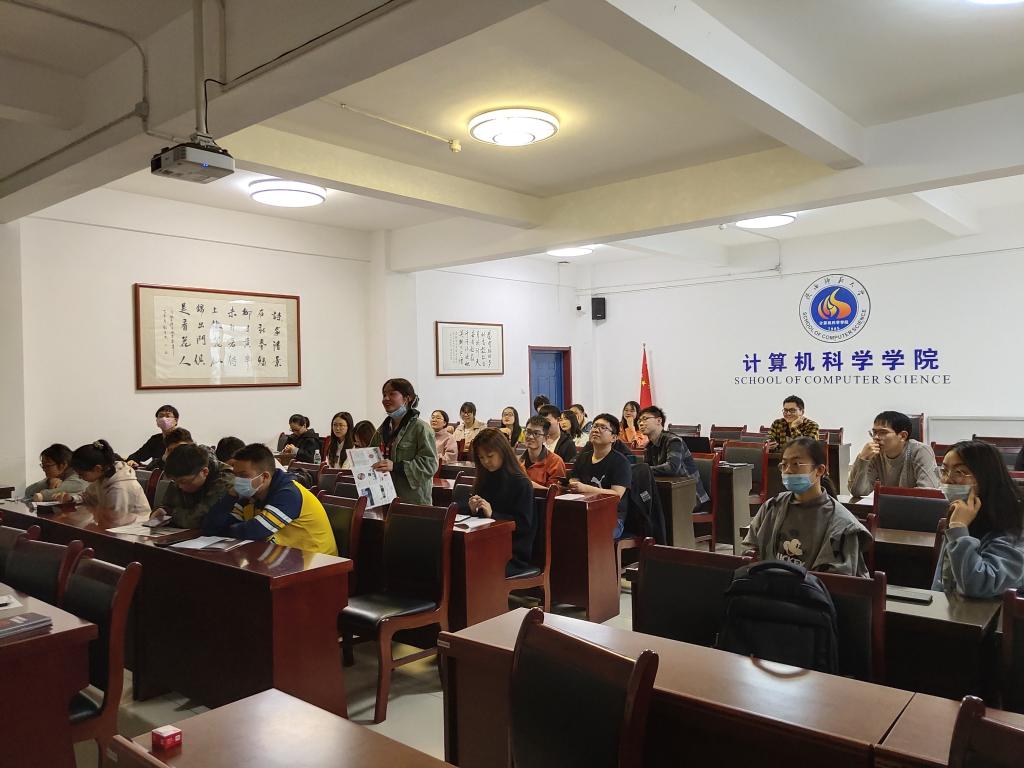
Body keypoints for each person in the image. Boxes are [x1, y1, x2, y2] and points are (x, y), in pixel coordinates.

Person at [742, 437, 870, 577]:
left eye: (796, 464)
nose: (788, 470)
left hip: (814, 590)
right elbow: (750, 550)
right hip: (769, 585)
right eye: (784, 465)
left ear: (819, 470)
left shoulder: (843, 524)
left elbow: (840, 580)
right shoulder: (772, 506)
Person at [204, 443, 337, 554]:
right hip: (282, 558)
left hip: (317, 563)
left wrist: (225, 531)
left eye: (243, 475)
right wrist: (230, 497)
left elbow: (254, 531)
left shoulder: (289, 494)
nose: (237, 480)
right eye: (236, 475)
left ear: (265, 477)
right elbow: (211, 528)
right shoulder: (249, 494)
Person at [932, 440, 1024, 598]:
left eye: (960, 472)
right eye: (944, 471)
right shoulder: (964, 514)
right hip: (953, 610)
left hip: (996, 613)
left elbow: (978, 585)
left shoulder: (1014, 525)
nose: (947, 480)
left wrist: (958, 528)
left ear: (987, 477)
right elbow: (942, 583)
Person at [466, 428, 537, 576]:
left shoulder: (521, 483)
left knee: (470, 564)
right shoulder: (484, 479)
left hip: (511, 552)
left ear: (502, 451)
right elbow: (481, 520)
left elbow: (524, 525)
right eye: (481, 458)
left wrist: (493, 515)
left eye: (490, 456)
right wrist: (473, 510)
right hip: (486, 543)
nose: (486, 462)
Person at [370, 378, 438, 505]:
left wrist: (396, 466)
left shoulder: (421, 428)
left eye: (392, 394)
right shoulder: (381, 430)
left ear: (407, 399)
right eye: (384, 395)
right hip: (386, 499)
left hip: (413, 501)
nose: (386, 399)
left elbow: (429, 465)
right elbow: (371, 456)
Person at [57, 440, 151, 527]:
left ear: (97, 468)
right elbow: (88, 497)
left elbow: (114, 521)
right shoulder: (102, 477)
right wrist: (71, 499)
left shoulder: (119, 487)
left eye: (82, 474)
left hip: (133, 530)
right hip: (115, 527)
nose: (80, 478)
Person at [569, 413, 633, 540]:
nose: (596, 430)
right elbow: (574, 478)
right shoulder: (583, 457)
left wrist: (586, 488)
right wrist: (573, 483)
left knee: (588, 534)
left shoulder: (620, 462)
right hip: (584, 511)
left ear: (613, 438)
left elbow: (616, 494)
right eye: (595, 426)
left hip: (612, 517)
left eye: (603, 427)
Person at [848, 410, 939, 496]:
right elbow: (858, 492)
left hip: (915, 506)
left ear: (903, 436)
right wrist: (863, 459)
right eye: (874, 432)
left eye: (883, 432)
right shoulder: (876, 454)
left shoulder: (921, 451)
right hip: (891, 504)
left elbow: (928, 493)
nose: (876, 437)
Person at [639, 406, 709, 507]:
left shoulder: (673, 441)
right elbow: (647, 472)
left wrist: (643, 469)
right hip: (668, 493)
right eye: (639, 420)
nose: (641, 423)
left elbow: (672, 468)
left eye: (645, 419)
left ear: (659, 421)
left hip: (691, 495)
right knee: (641, 503)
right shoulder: (649, 446)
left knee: (651, 508)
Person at [154, 443, 234, 529]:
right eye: (175, 482)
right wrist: (159, 512)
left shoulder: (225, 479)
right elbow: (167, 506)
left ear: (204, 472)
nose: (179, 486)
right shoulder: (181, 476)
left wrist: (170, 515)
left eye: (183, 482)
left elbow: (201, 518)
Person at [519, 415, 567, 490]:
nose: (530, 437)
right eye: (528, 432)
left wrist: (528, 484)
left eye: (536, 434)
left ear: (545, 438)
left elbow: (554, 492)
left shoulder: (556, 462)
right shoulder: (517, 461)